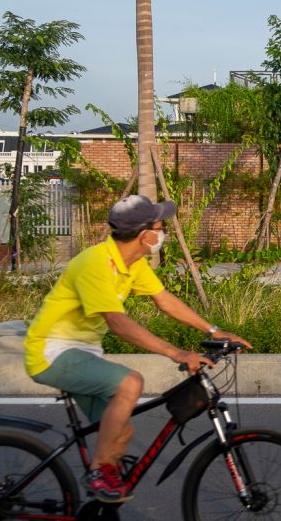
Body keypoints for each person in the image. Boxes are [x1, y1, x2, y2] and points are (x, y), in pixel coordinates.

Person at [23, 195, 251, 503]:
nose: (163, 233)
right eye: (160, 226)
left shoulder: (132, 264)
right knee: (130, 383)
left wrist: (213, 330)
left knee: (122, 433)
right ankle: (99, 473)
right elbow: (118, 323)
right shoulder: (96, 263)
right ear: (145, 235)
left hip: (83, 353)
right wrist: (177, 353)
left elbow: (164, 299)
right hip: (51, 352)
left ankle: (101, 500)